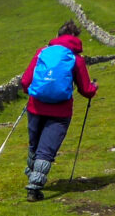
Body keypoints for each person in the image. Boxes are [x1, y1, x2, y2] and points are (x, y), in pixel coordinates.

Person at [20, 20, 98, 202]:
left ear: (57, 35)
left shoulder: (42, 52)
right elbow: (86, 90)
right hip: (60, 112)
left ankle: (33, 176)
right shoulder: (75, 59)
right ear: (75, 38)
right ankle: (34, 188)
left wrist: (29, 92)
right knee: (46, 150)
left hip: (35, 106)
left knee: (35, 145)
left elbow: (25, 81)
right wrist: (94, 88)